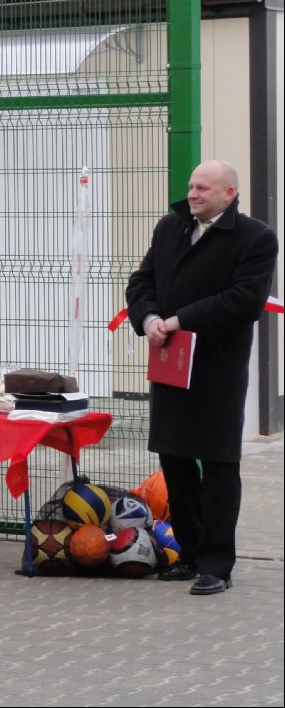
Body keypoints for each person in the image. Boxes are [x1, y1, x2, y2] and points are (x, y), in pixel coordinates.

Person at [126, 160, 278, 595]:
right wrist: (150, 319)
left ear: (229, 194)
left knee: (218, 465)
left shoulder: (255, 238)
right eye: (191, 186)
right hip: (170, 364)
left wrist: (180, 320)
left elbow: (244, 300)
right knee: (174, 460)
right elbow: (141, 282)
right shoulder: (169, 228)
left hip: (217, 370)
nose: (192, 194)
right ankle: (189, 555)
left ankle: (216, 565)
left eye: (203, 188)